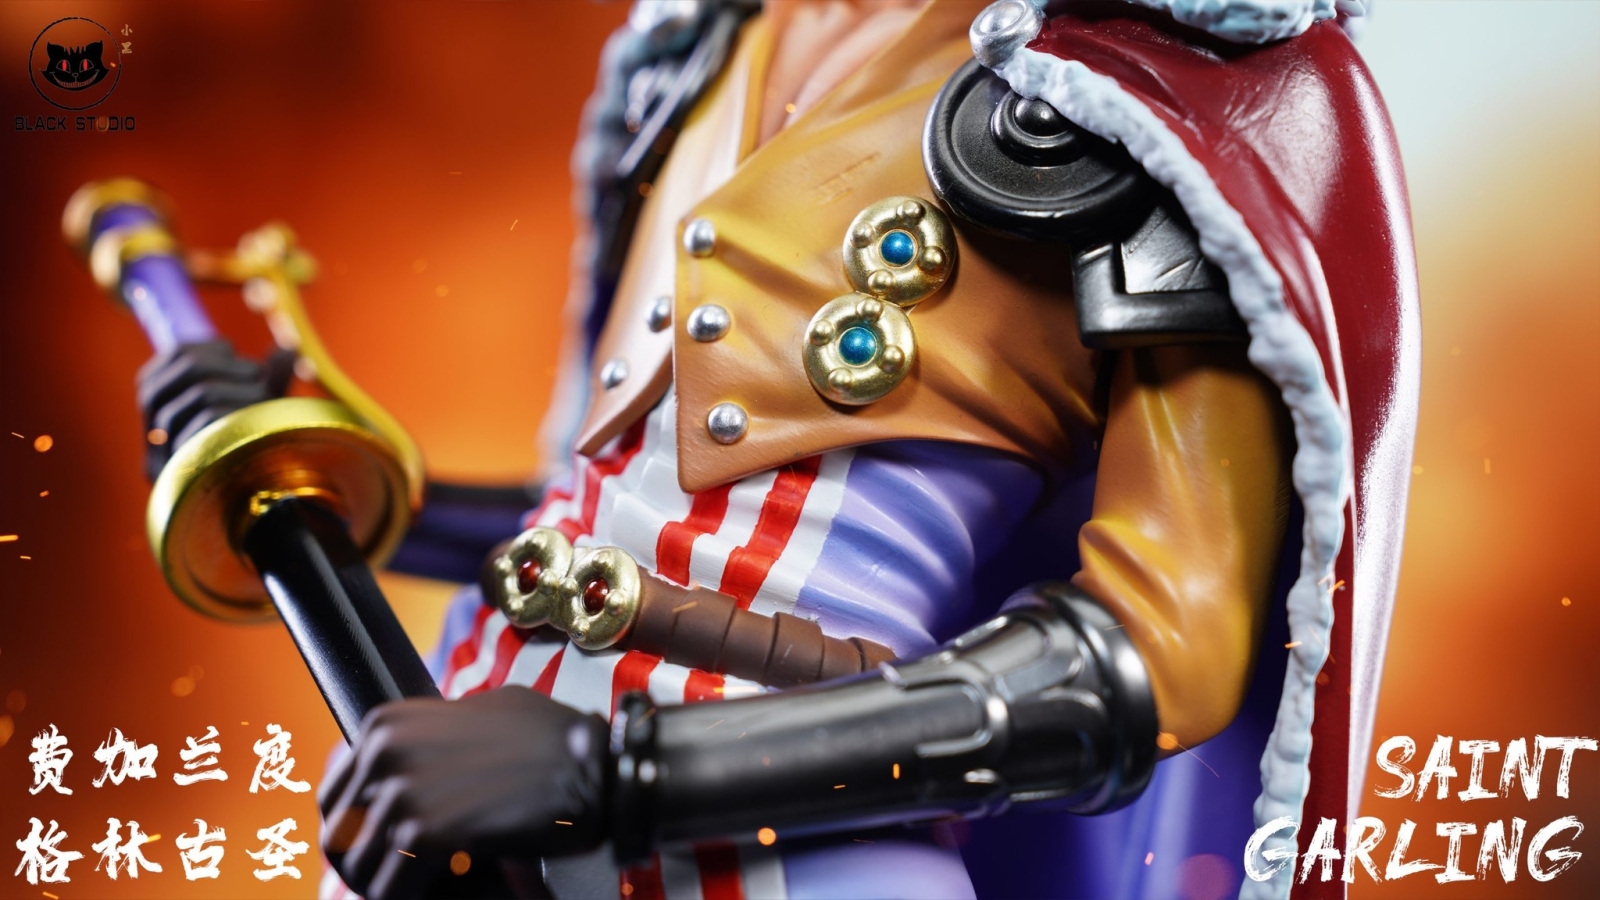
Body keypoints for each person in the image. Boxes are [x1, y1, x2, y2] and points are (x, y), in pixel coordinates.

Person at [142, 1, 1417, 897]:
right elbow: (610, 515)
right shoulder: (707, 43)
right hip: (452, 796)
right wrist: (308, 467)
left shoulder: (1174, 81)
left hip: (800, 849)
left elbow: (1148, 665)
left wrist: (615, 770)